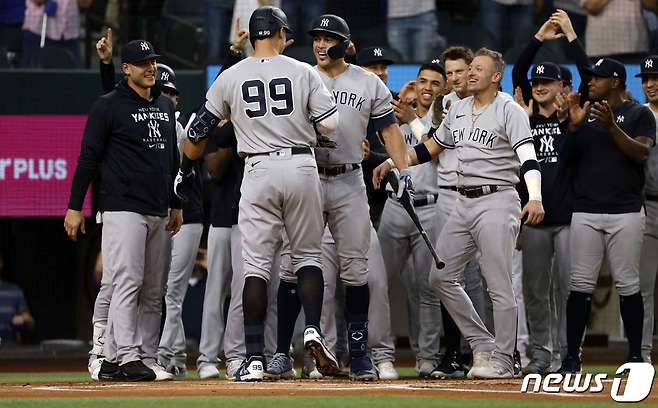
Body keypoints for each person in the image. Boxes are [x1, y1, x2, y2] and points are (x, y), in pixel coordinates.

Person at [180, 6, 381, 382]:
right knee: (307, 256)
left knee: (256, 266)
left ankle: (255, 357)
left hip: (257, 169)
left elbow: (197, 133)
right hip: (302, 166)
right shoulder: (303, 71)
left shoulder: (231, 75)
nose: (288, 38)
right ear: (274, 32)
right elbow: (332, 125)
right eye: (284, 32)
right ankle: (312, 331)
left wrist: (184, 166)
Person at [374, 48, 545, 379]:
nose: (470, 73)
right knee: (440, 277)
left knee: (499, 285)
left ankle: (505, 359)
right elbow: (427, 149)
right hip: (462, 203)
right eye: (471, 68)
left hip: (497, 200)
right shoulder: (458, 108)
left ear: (496, 76)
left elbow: (528, 158)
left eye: (478, 69)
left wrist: (535, 197)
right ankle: (482, 342)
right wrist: (393, 154)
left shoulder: (509, 110)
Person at [269, 14, 411, 382]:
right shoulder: (299, 74)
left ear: (346, 45)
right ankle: (282, 353)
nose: (320, 44)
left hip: (349, 180)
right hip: (307, 178)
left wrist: (403, 169)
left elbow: (389, 131)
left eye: (328, 38)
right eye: (316, 37)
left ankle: (360, 354)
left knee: (355, 271)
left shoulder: (366, 82)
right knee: (291, 266)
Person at [64, 39, 183, 382]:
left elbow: (171, 159)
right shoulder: (108, 106)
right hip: (122, 206)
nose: (151, 67)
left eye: (153, 61)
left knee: (153, 289)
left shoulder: (164, 103)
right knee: (126, 282)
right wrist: (75, 207)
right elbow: (88, 157)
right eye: (142, 63)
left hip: (159, 207)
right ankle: (124, 356)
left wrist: (176, 203)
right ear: (126, 68)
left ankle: (143, 356)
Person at [559, 58, 655, 373]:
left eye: (598, 78)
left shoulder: (639, 114)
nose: (591, 82)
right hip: (586, 210)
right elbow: (567, 162)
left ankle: (636, 357)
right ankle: (572, 358)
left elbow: (641, 154)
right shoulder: (583, 114)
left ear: (614, 81)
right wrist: (572, 128)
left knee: (629, 285)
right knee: (579, 285)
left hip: (626, 211)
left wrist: (612, 126)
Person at [376, 61, 447, 377]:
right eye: (422, 81)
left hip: (431, 207)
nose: (427, 87)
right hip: (395, 207)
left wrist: (413, 117)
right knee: (377, 283)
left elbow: (435, 151)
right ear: (414, 84)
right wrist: (400, 106)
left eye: (434, 82)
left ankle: (427, 358)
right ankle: (380, 355)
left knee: (426, 289)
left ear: (443, 89)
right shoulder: (398, 112)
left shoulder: (445, 117)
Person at [512, 19, 574, 375]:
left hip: (567, 218)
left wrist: (570, 37)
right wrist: (537, 37)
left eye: (545, 82)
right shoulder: (524, 119)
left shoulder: (572, 119)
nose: (538, 86)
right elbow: (519, 69)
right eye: (535, 82)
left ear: (562, 86)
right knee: (535, 294)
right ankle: (541, 356)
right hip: (533, 220)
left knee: (568, 292)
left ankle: (568, 355)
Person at [428, 46, 492, 379]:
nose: (455, 78)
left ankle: (491, 351)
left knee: (487, 281)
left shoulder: (494, 104)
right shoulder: (447, 106)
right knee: (446, 277)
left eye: (460, 71)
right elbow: (428, 149)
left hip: (486, 197)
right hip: (447, 197)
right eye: (449, 73)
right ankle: (454, 353)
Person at [638, 55, 658, 364]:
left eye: (656, 78)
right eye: (646, 79)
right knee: (641, 288)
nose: (650, 83)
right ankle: (639, 355)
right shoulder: (636, 115)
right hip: (648, 205)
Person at [0, 255, 35, 345]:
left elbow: (31, 323)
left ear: (1, 264)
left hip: (10, 352)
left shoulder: (14, 291)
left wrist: (23, 319)